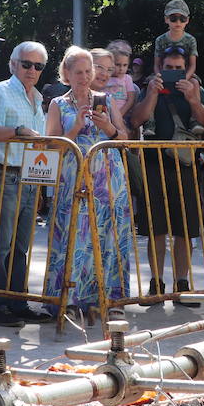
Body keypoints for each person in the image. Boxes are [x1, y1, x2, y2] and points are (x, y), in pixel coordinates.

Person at [41, 46, 134, 323]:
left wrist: (108, 128)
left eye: (88, 71)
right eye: (78, 71)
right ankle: (67, 298)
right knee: (73, 234)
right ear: (66, 74)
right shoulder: (58, 104)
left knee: (111, 235)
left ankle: (110, 297)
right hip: (74, 176)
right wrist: (75, 129)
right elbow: (52, 144)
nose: (84, 76)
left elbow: (125, 139)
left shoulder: (105, 99)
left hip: (108, 176)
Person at [128, 43, 204, 305]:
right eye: (169, 68)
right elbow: (136, 121)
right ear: (160, 68)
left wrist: (193, 100)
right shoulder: (149, 87)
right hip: (153, 166)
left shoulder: (195, 88)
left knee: (185, 229)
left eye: (179, 68)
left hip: (186, 166)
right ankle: (156, 283)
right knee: (156, 228)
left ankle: (182, 283)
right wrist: (153, 94)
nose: (174, 73)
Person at [0, 41, 55, 327]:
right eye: (26, 64)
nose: (32, 70)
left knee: (20, 246)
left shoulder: (36, 98)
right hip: (5, 173)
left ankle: (17, 302)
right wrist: (18, 131)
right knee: (0, 245)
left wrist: (41, 187)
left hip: (29, 177)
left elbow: (41, 142)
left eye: (38, 66)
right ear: (12, 64)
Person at [153, 0, 198, 79]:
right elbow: (157, 65)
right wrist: (160, 77)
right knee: (150, 84)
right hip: (164, 73)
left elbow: (192, 65)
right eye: (173, 18)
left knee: (195, 84)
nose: (178, 22)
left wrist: (184, 78)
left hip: (185, 74)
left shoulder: (191, 40)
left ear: (187, 20)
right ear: (166, 19)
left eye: (182, 19)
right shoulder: (160, 40)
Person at [105, 40, 138, 119]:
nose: (121, 68)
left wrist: (119, 115)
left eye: (125, 65)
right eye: (118, 65)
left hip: (123, 115)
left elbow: (131, 100)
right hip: (105, 115)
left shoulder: (127, 79)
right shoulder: (104, 77)